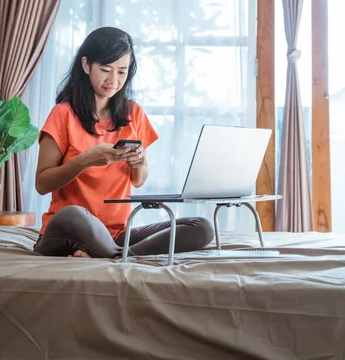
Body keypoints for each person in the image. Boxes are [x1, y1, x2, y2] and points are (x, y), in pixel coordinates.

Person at [34, 26, 214, 259]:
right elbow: (42, 184)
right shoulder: (63, 114)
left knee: (201, 227)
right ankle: (116, 254)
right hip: (69, 229)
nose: (113, 80)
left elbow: (138, 180)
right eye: (106, 69)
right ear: (86, 65)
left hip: (116, 234)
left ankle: (116, 256)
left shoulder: (133, 112)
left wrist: (137, 162)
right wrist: (85, 160)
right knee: (73, 214)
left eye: (122, 71)